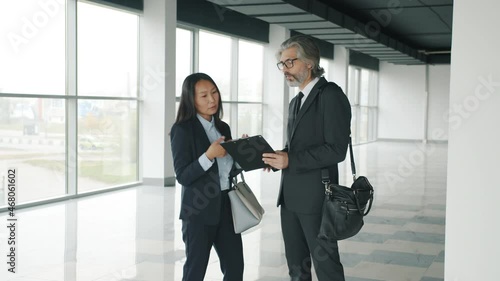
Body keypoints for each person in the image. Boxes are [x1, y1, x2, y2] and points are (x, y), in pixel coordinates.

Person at [262, 35, 352, 281]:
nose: (284, 70)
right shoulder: (296, 101)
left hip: (317, 199)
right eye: (282, 64)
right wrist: (277, 157)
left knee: (327, 267)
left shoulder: (330, 95)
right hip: (290, 199)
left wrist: (291, 160)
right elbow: (299, 146)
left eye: (290, 63)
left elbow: (336, 149)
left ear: (310, 62)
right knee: (296, 269)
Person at [170, 73, 245, 281]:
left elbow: (228, 170)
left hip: (227, 207)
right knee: (195, 271)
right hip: (198, 211)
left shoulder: (223, 127)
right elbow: (183, 176)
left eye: (214, 93)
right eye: (204, 96)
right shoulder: (182, 130)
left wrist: (242, 152)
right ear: (191, 100)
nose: (212, 99)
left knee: (235, 268)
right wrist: (208, 156)